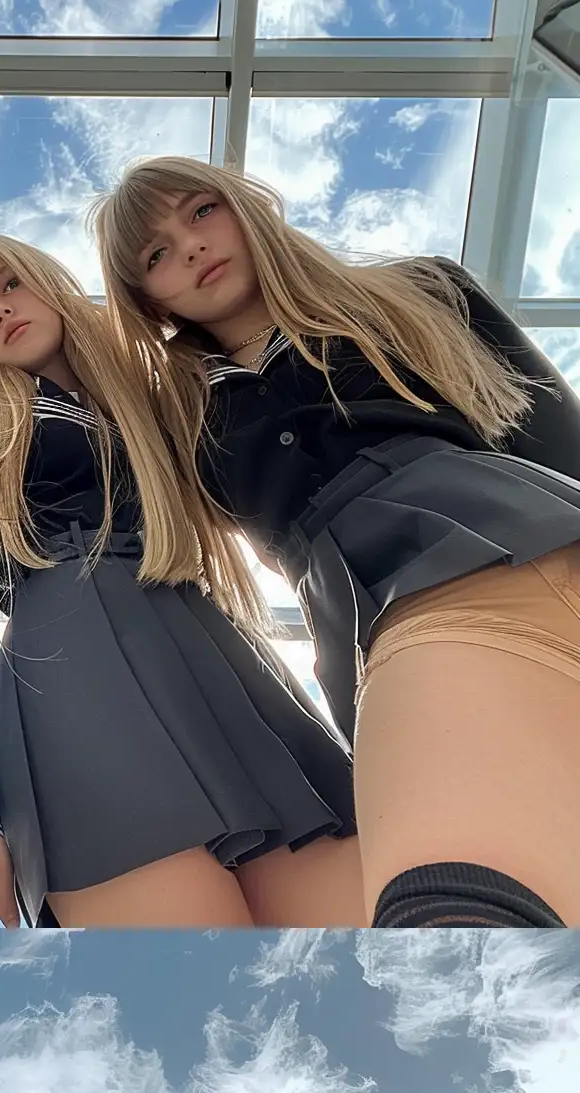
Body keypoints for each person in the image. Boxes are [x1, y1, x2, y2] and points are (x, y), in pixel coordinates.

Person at [95, 154, 580, 927]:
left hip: (524, 538)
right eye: (154, 254)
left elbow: (556, 436)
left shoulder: (419, 289)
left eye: (199, 212)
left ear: (244, 205)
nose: (187, 248)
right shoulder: (175, 424)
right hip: (395, 620)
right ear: (145, 297)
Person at [0, 232, 360, 929]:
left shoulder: (157, 398)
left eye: (8, 285)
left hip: (211, 646)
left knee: (350, 947)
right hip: (68, 669)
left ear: (49, 279)